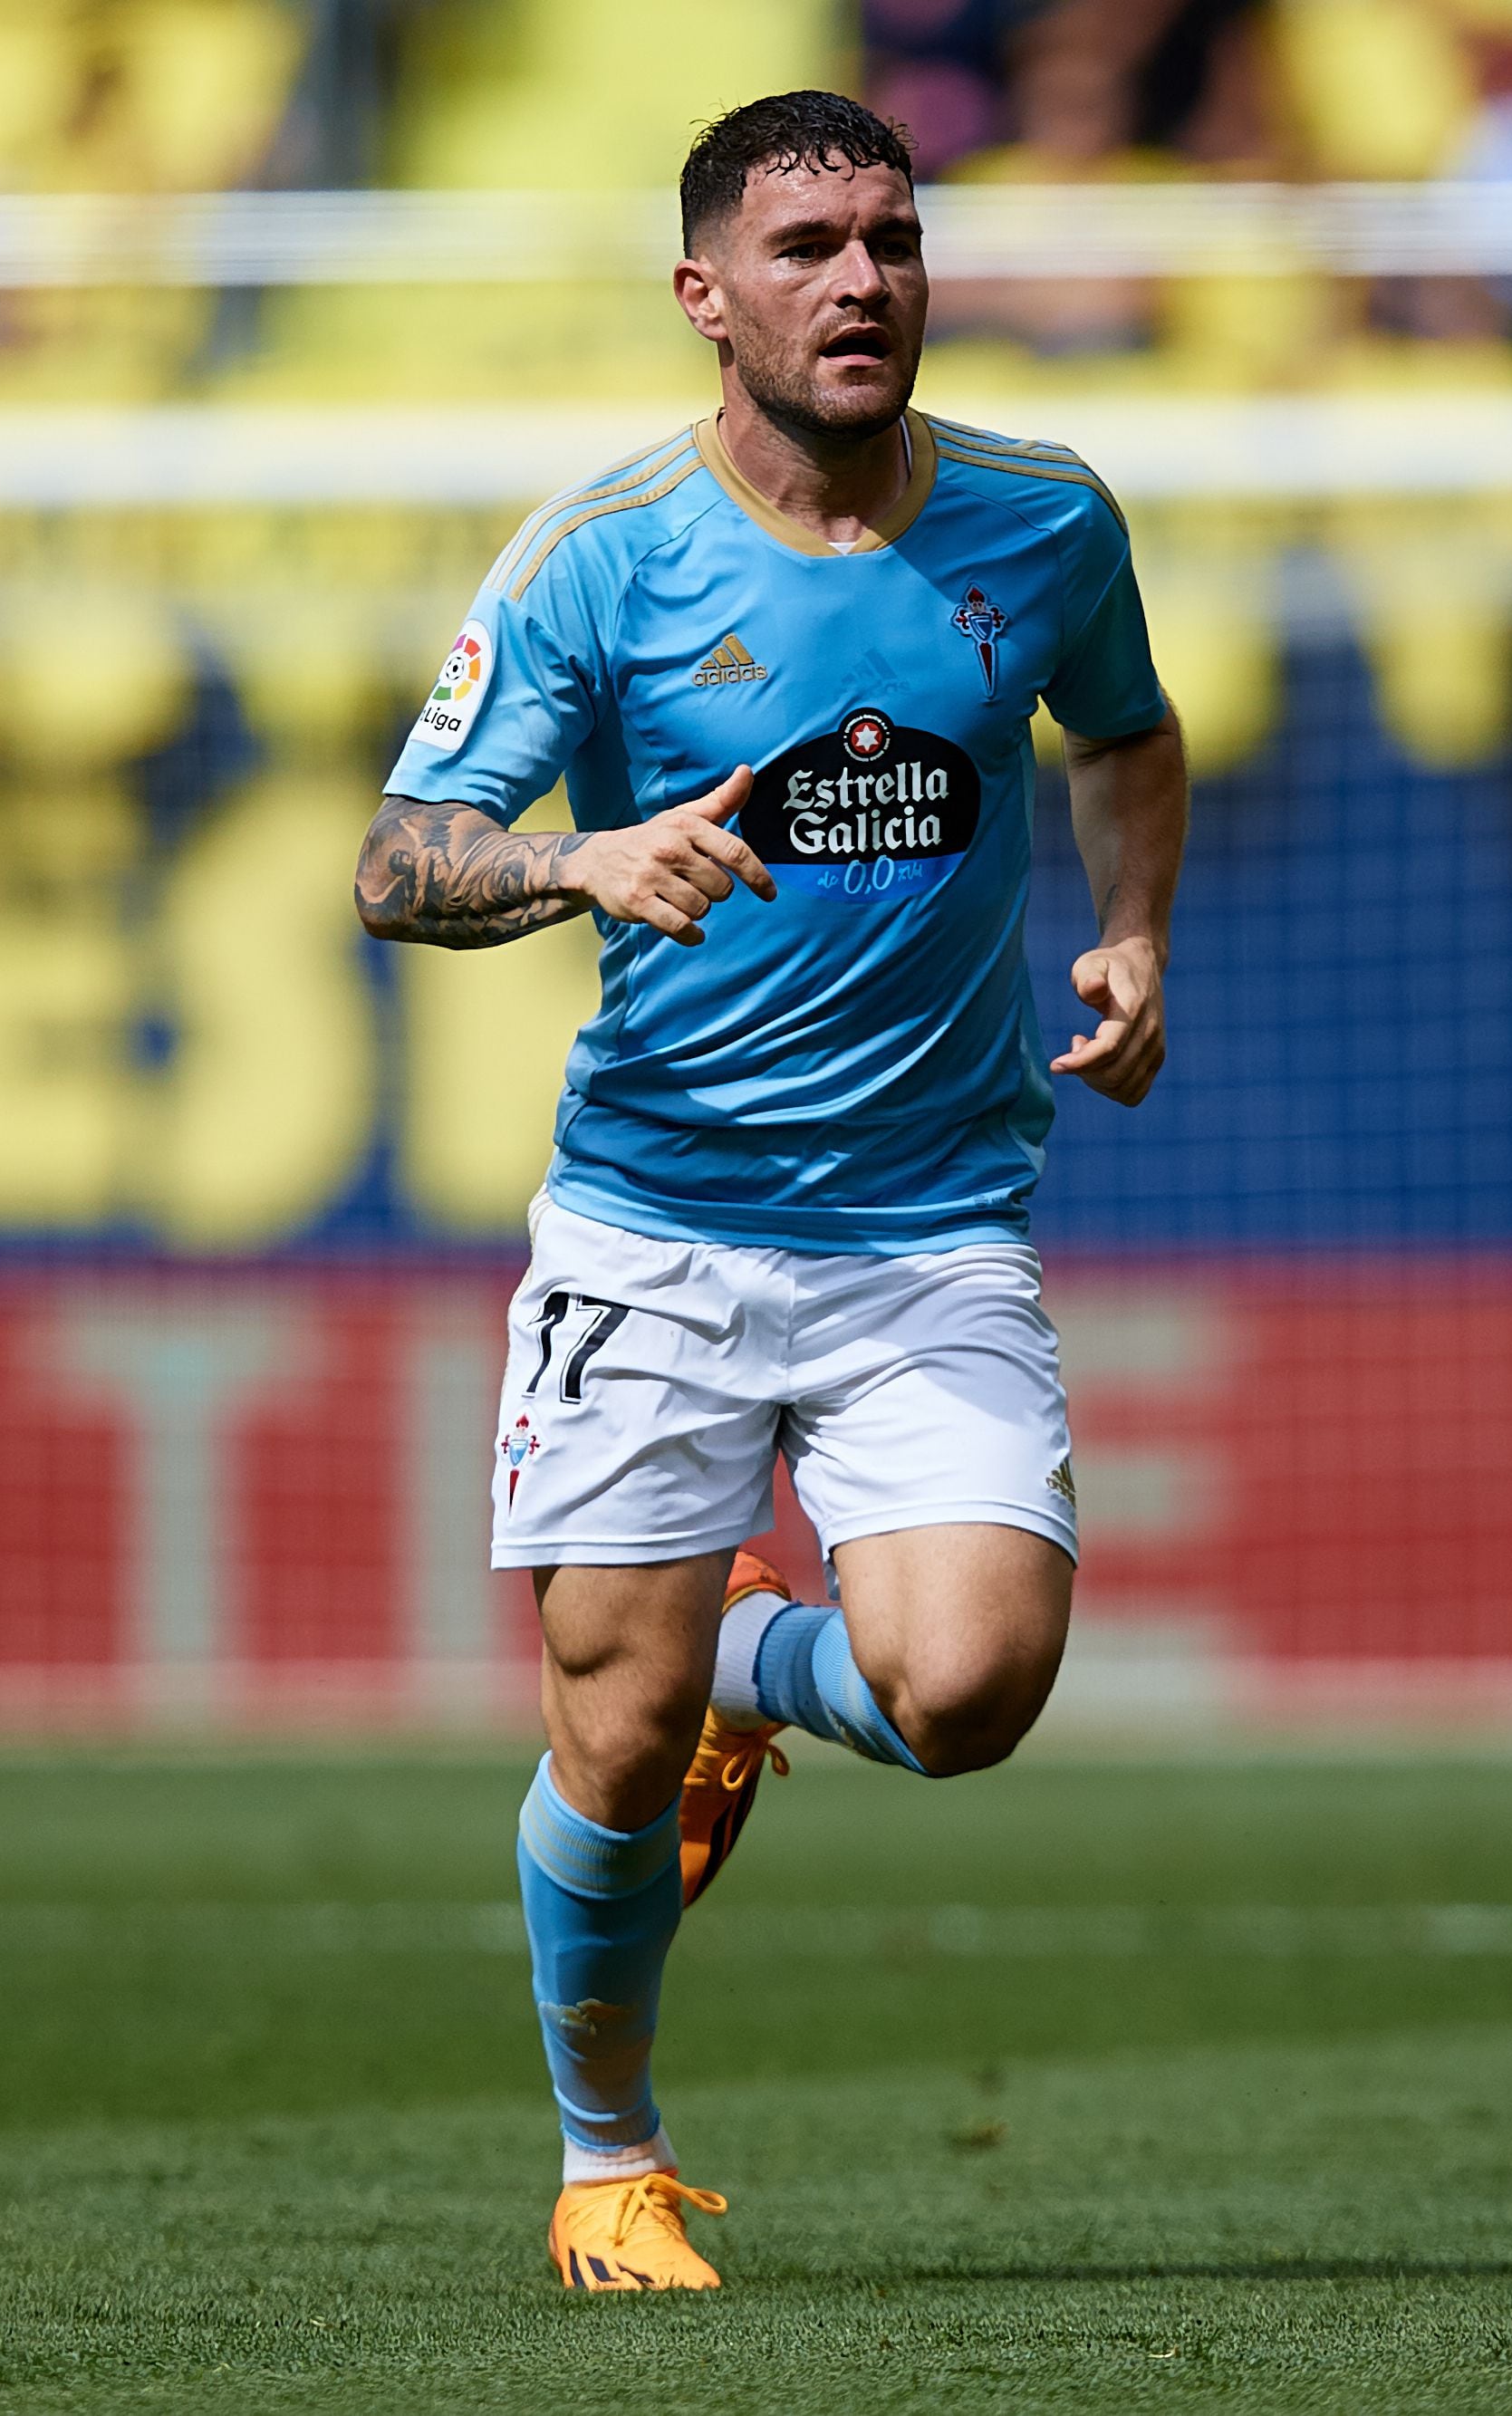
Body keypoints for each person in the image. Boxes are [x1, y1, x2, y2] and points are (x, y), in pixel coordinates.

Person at [351, 88, 1187, 2294]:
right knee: (606, 1737)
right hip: (654, 1223)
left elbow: (1124, 729)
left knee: (970, 1687)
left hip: (928, 1226)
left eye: (893, 240)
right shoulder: (599, 554)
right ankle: (604, 2152)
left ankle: (752, 1664)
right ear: (704, 294)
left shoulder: (1040, 520)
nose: (863, 282)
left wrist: (1133, 932)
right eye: (808, 244)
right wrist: (576, 854)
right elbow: (395, 858)